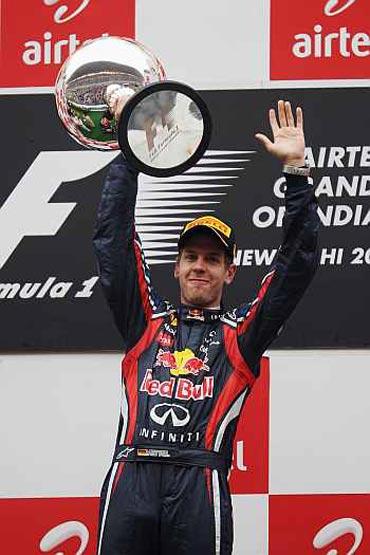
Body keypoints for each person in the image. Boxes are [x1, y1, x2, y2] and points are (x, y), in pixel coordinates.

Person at [93, 100, 319, 555]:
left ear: (229, 272)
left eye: (213, 259)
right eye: (191, 257)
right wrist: (129, 151)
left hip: (200, 484)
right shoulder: (145, 325)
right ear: (175, 268)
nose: (201, 267)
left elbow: (295, 268)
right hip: (131, 476)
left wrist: (296, 172)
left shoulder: (241, 337)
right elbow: (113, 242)